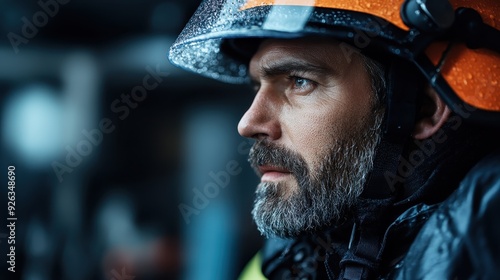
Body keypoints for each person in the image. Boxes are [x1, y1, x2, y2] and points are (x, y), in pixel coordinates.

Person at [169, 0, 500, 279]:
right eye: (257, 87)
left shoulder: (483, 241)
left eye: (299, 81)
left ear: (423, 109)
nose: (248, 123)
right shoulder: (290, 254)